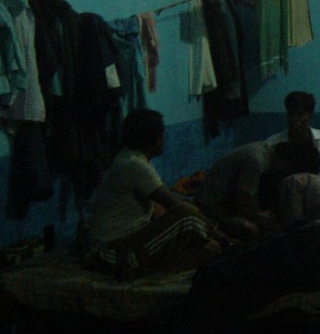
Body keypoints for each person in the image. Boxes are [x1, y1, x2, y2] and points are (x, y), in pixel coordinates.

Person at [180, 140, 320, 334]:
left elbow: (290, 230)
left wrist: (259, 226)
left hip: (319, 241)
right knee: (242, 292)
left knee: (213, 270)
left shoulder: (294, 181)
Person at [87, 108, 222, 280]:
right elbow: (177, 206)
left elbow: (160, 206)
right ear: (157, 139)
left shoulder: (128, 158)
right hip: (112, 251)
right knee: (186, 216)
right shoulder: (135, 164)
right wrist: (215, 229)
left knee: (199, 253)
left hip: (114, 245)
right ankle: (223, 238)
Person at [193, 140, 281, 241]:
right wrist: (261, 220)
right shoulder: (257, 161)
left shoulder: (261, 150)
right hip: (210, 207)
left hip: (218, 203)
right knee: (251, 229)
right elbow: (242, 207)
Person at [265, 91, 320, 179]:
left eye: (300, 114)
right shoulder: (272, 144)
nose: (295, 119)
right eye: (291, 114)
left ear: (310, 115)